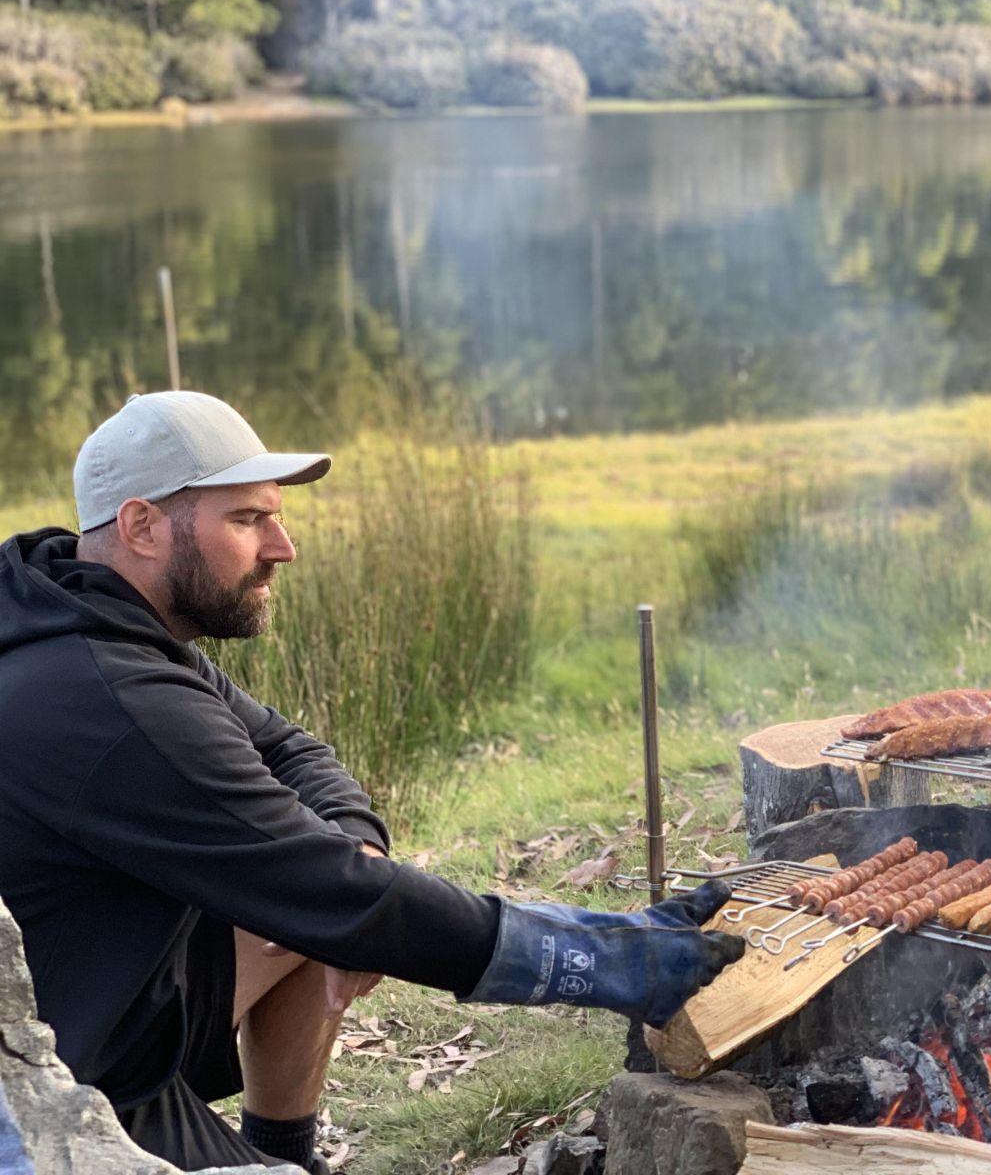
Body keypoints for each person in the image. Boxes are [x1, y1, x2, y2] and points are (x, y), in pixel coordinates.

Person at [0, 391, 745, 1174]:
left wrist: (356, 849)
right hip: (50, 1099)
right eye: (248, 520)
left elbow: (293, 753)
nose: (283, 547)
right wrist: (609, 961)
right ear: (142, 526)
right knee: (327, 903)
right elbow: (339, 892)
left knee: (320, 906)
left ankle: (281, 1150)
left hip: (110, 1017)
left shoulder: (92, 618)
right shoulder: (112, 701)